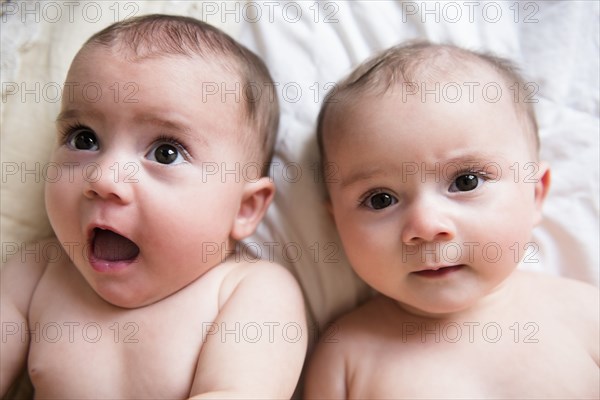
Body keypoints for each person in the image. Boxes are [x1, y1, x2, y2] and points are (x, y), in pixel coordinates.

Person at [0, 14, 307, 399]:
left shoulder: (249, 293)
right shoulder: (34, 272)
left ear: (245, 208)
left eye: (165, 152)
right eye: (84, 139)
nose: (104, 178)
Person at [305, 42, 599, 399]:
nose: (427, 226)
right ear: (337, 223)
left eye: (466, 181)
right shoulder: (346, 355)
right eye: (380, 200)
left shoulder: (584, 315)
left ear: (535, 193)